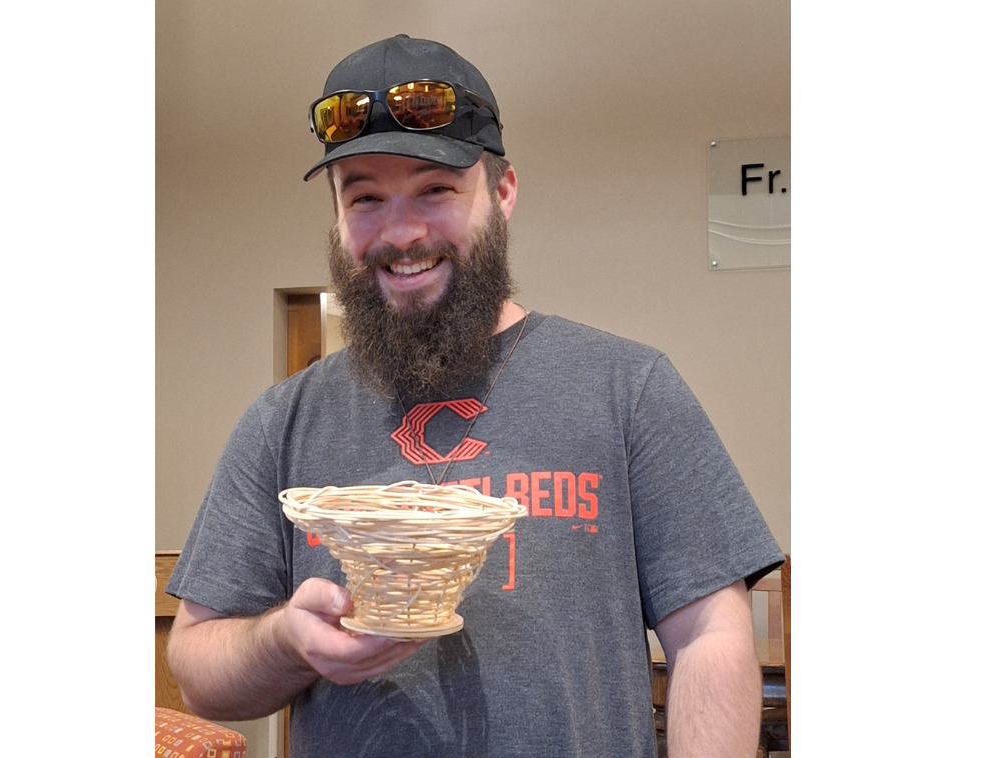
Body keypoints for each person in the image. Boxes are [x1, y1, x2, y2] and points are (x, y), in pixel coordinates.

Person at [165, 34, 784, 758]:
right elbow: (199, 668)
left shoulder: (627, 389)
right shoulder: (282, 422)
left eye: (436, 190)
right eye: (365, 197)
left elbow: (711, 635)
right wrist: (286, 642)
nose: (401, 231)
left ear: (503, 191)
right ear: (337, 217)